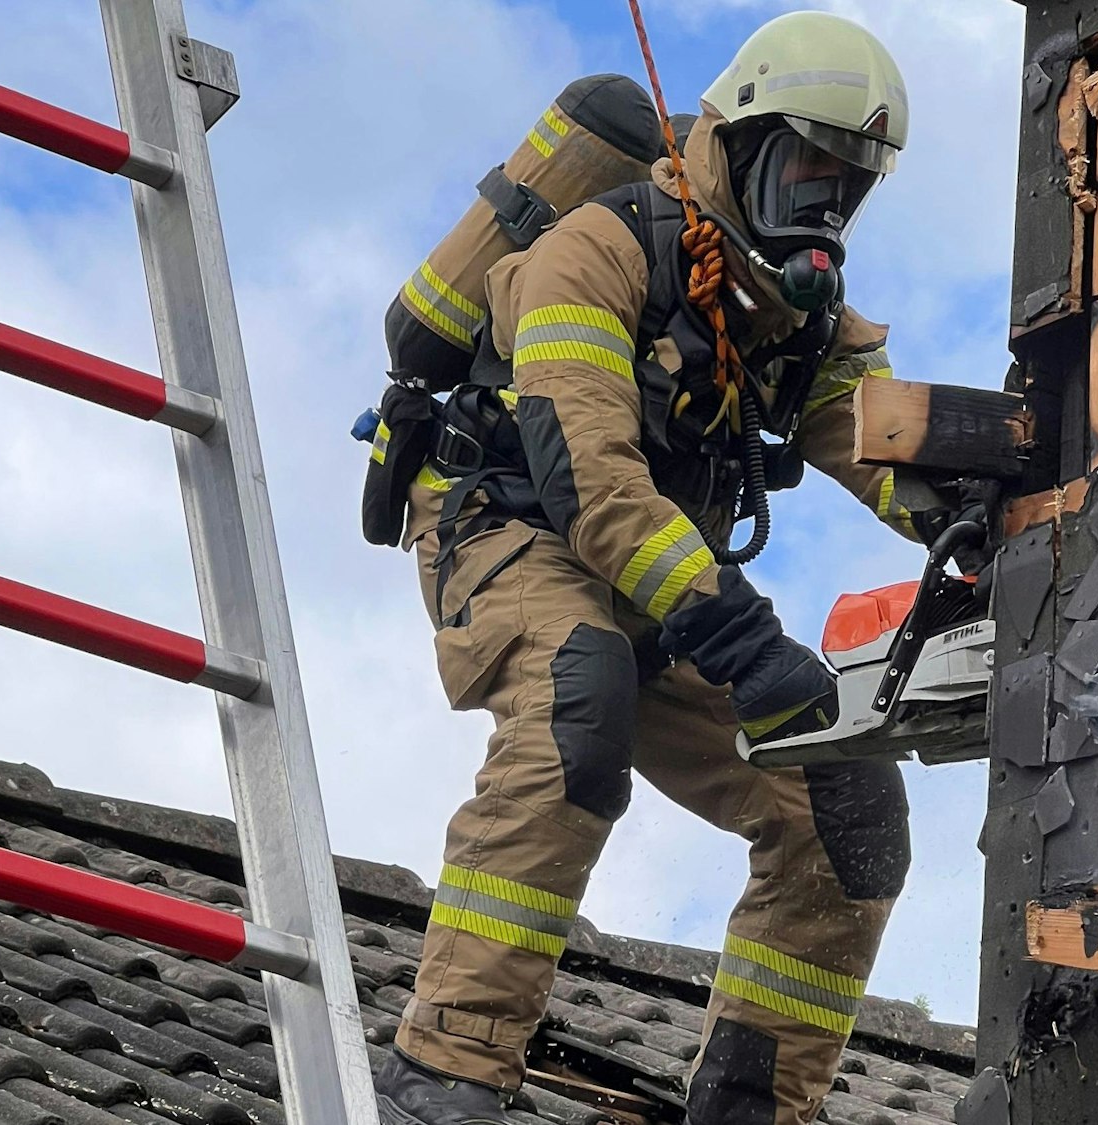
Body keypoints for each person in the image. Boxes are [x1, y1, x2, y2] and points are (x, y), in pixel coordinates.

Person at [375, 13, 933, 1124]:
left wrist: (1002, 507)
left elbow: (885, 458)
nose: (823, 206)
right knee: (576, 700)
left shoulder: (800, 323)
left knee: (843, 795)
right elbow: (590, 478)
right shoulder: (597, 248)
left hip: (658, 581)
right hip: (511, 530)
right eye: (806, 168)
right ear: (737, 142)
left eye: (846, 184)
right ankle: (447, 1072)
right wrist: (739, 637)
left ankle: (755, 1105)